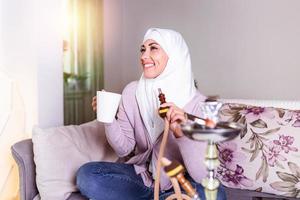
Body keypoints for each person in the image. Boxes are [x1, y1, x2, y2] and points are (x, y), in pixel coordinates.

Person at [76, 28, 227, 200]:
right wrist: (109, 118)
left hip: (181, 184)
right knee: (87, 175)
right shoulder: (132, 92)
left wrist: (182, 132)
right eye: (143, 49)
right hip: (143, 178)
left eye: (153, 48)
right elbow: (123, 148)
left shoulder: (201, 106)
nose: (143, 56)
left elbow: (202, 176)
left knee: (215, 195)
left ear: (174, 54)